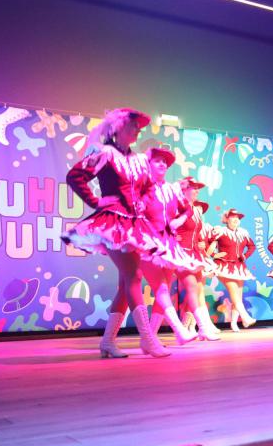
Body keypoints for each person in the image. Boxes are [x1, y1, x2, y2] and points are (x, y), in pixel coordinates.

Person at [63, 108, 170, 358]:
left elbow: (148, 187)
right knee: (134, 276)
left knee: (126, 283)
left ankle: (108, 342)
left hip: (134, 224)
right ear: (119, 128)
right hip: (113, 223)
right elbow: (75, 176)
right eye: (133, 126)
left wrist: (143, 201)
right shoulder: (105, 153)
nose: (138, 131)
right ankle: (147, 339)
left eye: (139, 127)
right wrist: (95, 201)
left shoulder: (139, 160)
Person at [141, 147, 202, 345]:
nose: (162, 164)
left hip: (168, 245)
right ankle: (178, 331)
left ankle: (150, 338)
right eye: (157, 160)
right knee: (154, 289)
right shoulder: (142, 187)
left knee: (163, 289)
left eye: (165, 162)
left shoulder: (171, 189)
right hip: (147, 243)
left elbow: (187, 210)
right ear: (148, 164)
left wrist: (178, 221)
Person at [176, 177, 221, 341]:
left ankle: (197, 327)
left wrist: (200, 243)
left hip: (195, 253)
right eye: (193, 188)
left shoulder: (195, 210)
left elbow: (195, 231)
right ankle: (196, 327)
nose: (197, 191)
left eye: (198, 188)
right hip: (181, 253)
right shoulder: (177, 207)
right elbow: (166, 225)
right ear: (184, 190)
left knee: (197, 289)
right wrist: (173, 238)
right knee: (190, 288)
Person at [207, 208, 258, 332]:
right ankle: (245, 317)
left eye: (237, 218)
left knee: (238, 296)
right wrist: (214, 254)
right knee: (234, 292)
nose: (235, 219)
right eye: (232, 217)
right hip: (223, 266)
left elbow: (252, 246)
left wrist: (245, 256)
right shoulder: (220, 231)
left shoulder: (243, 233)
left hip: (239, 267)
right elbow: (207, 243)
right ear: (226, 219)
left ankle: (234, 323)